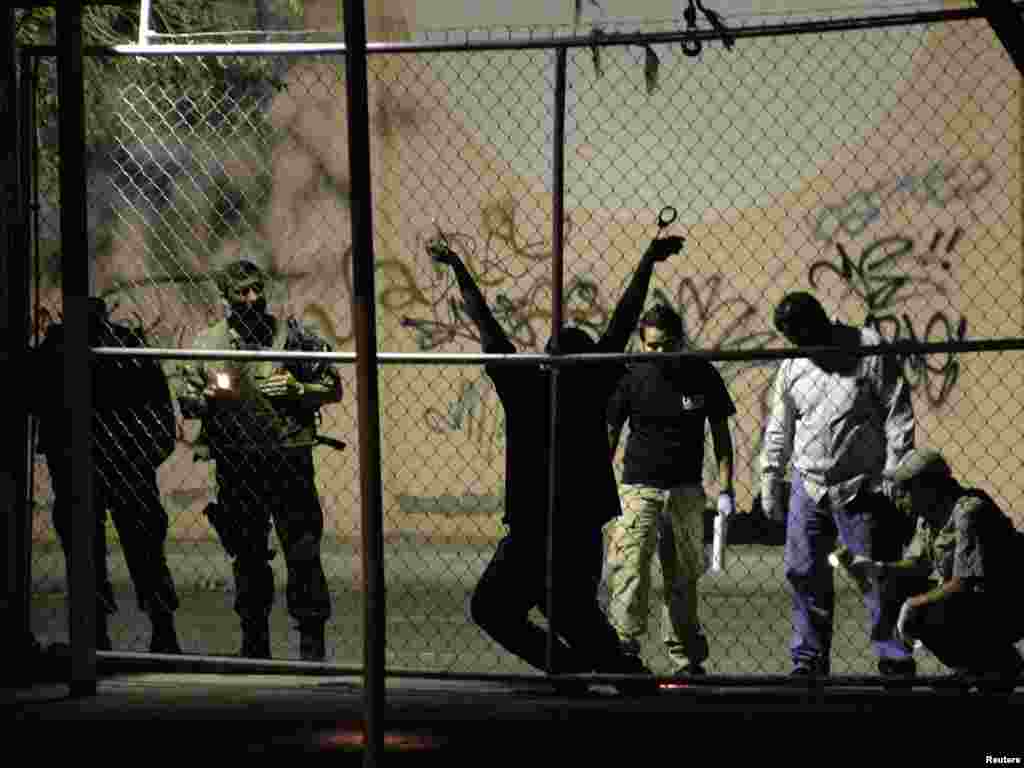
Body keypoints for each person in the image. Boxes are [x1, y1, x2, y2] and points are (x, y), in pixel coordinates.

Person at [429, 232, 684, 690]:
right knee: (571, 612)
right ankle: (618, 674)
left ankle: (588, 672)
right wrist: (647, 260)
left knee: (498, 609)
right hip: (577, 523)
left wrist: (459, 268)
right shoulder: (590, 385)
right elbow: (624, 320)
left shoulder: (526, 386)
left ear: (548, 358)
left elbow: (486, 325)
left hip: (535, 525)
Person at [176, 259, 342, 661]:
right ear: (226, 298)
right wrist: (211, 395)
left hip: (288, 459)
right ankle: (254, 642)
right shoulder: (209, 345)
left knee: (302, 551)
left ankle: (311, 642)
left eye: (256, 289)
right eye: (241, 292)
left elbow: (332, 387)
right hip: (237, 463)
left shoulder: (293, 337)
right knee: (248, 554)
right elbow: (188, 400)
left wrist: (297, 388)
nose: (251, 298)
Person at [760, 291, 916, 678]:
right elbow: (781, 425)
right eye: (796, 342)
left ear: (821, 323)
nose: (804, 348)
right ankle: (809, 660)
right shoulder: (794, 365)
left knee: (875, 575)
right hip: (808, 483)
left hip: (860, 485)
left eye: (807, 338)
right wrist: (770, 476)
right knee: (803, 572)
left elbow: (897, 412)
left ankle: (893, 655)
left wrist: (895, 474)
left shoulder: (869, 349)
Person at [32, 298, 181, 653]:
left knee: (121, 549)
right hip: (105, 463)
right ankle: (123, 632)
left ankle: (126, 632)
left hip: (105, 463)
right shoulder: (76, 349)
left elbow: (158, 407)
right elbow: (159, 406)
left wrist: (150, 454)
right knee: (127, 549)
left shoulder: (111, 348)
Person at [604, 303, 736, 676]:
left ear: (679, 341)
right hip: (639, 487)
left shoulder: (701, 374)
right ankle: (625, 650)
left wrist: (725, 490)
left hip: (685, 491)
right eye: (651, 346)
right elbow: (611, 434)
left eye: (664, 345)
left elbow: (722, 438)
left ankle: (685, 658)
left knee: (682, 576)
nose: (657, 353)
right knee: (630, 570)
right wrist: (599, 483)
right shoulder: (631, 376)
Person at [833, 448, 1024, 691]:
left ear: (929, 487)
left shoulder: (969, 513)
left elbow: (962, 583)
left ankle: (995, 663)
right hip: (979, 602)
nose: (899, 497)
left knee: (923, 609)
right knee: (901, 587)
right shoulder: (928, 515)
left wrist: (914, 605)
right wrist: (877, 568)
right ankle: (980, 666)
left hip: (1009, 604)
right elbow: (918, 565)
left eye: (905, 489)